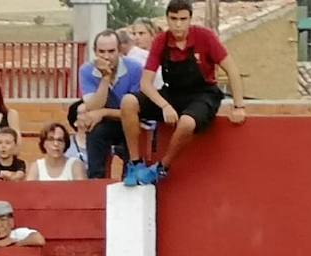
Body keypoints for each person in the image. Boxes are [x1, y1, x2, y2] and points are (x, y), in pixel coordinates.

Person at [121, 0, 247, 186]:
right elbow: (145, 83)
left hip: (203, 94)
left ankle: (161, 167)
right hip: (171, 92)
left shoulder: (205, 37)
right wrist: (164, 105)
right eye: (173, 19)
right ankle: (135, 163)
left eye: (182, 19)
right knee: (128, 102)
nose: (178, 24)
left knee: (187, 123)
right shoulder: (161, 41)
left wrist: (239, 106)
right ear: (167, 19)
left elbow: (232, 70)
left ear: (189, 19)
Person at [76, 29, 142, 179]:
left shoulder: (135, 68)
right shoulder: (86, 70)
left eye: (111, 51)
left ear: (119, 51)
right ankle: (96, 180)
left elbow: (135, 113)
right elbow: (93, 107)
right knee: (94, 131)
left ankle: (131, 175)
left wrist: (103, 112)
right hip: (105, 123)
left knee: (131, 132)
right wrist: (105, 77)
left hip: (131, 122)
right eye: (101, 52)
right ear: (94, 52)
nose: (107, 57)